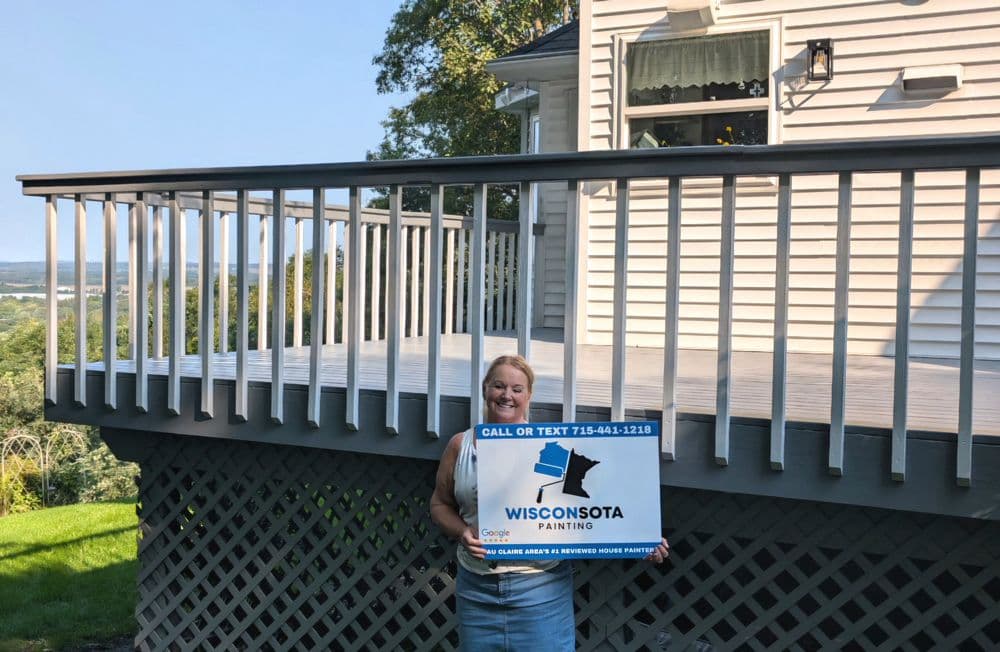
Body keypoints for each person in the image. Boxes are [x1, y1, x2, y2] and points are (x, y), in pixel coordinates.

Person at [430, 354, 670, 651]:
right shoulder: (460, 446)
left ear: (528, 396)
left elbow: (598, 501)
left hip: (540, 590)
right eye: (499, 386)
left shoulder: (549, 448)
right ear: (485, 390)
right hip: (476, 589)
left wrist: (639, 536)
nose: (507, 395)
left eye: (517, 389)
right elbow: (440, 505)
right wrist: (462, 533)